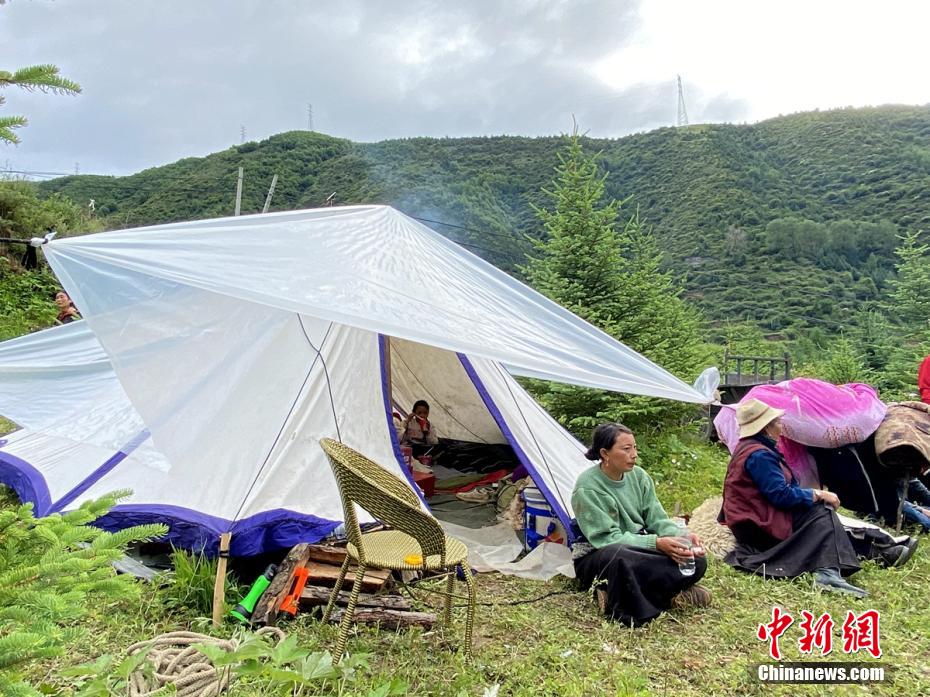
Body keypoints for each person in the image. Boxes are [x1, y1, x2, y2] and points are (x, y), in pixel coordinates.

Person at [720, 398, 917, 598]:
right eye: (777, 422)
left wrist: (811, 496)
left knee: (825, 522)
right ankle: (828, 573)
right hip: (757, 525)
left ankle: (881, 554)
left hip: (759, 516)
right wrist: (817, 494)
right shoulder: (759, 455)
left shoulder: (753, 448)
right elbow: (781, 495)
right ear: (766, 428)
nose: (781, 426)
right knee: (821, 514)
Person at [571, 423, 710, 627]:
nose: (634, 454)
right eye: (626, 449)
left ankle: (615, 593)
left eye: (634, 448)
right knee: (621, 559)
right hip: (600, 554)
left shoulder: (639, 476)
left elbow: (657, 519)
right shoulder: (588, 488)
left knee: (696, 559)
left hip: (638, 548)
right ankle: (663, 598)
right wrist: (656, 544)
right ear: (605, 453)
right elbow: (607, 539)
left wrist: (683, 537)